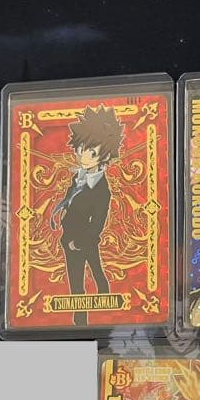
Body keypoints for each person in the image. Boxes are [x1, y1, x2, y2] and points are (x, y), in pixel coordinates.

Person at [50, 105, 123, 326]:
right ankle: (103, 298)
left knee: (80, 280)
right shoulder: (79, 177)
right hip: (71, 236)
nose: (83, 155)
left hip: (80, 240)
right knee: (95, 270)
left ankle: (80, 320)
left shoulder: (102, 190)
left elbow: (97, 224)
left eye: (91, 152)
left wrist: (76, 244)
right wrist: (60, 211)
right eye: (81, 148)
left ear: (105, 155)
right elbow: (72, 197)